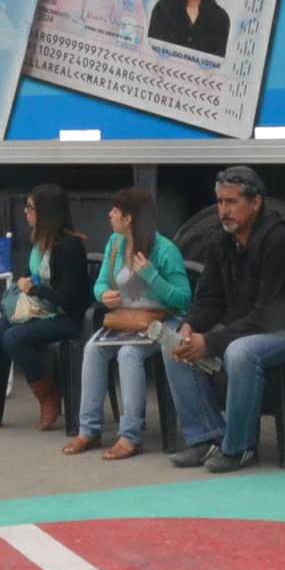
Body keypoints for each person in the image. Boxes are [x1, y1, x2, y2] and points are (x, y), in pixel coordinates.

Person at [164, 165, 285, 473]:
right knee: (171, 342)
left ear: (256, 202)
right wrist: (190, 327)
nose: (223, 210)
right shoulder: (220, 241)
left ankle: (240, 447)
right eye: (220, 202)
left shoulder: (280, 242)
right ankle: (206, 437)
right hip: (245, 326)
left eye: (232, 202)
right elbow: (208, 299)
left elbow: (268, 314)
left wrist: (209, 342)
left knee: (240, 353)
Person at [63, 187, 190, 459]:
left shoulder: (165, 249)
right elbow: (100, 282)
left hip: (160, 323)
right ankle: (88, 430)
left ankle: (130, 436)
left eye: (115, 211)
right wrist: (102, 295)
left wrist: (152, 275)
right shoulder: (115, 243)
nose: (110, 215)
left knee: (129, 354)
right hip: (125, 321)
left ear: (129, 218)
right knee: (92, 349)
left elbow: (184, 299)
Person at [0, 184, 91, 429]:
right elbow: (31, 277)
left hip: (65, 316)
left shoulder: (69, 247)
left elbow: (71, 299)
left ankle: (48, 395)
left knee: (14, 338)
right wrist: (25, 286)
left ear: (47, 212)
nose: (25, 212)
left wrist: (33, 290)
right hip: (38, 310)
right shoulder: (39, 243)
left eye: (30, 208)